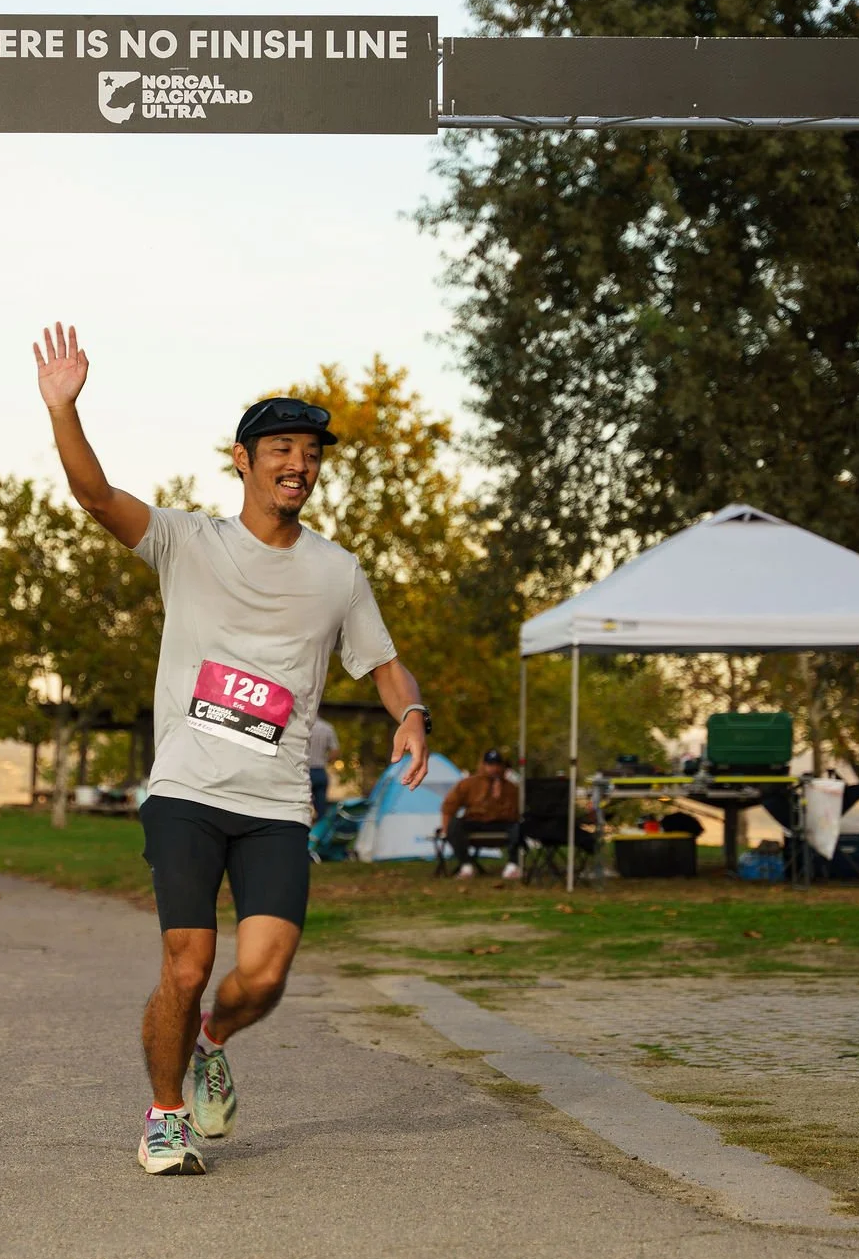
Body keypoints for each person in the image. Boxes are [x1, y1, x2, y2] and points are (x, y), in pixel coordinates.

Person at [34, 322, 432, 1176]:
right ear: (242, 460)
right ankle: (165, 1116)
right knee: (189, 963)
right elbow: (95, 495)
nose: (299, 464)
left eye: (311, 454)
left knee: (264, 976)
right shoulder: (188, 542)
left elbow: (384, 663)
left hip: (275, 802)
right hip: (186, 788)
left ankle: (213, 1040)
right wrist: (64, 408)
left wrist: (411, 712)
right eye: (281, 449)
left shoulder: (338, 572)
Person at [440, 748, 522, 880]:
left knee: (519, 826)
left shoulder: (511, 788)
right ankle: (466, 864)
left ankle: (512, 865)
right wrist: (445, 828)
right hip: (476, 822)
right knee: (455, 824)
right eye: (490, 765)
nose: (494, 769)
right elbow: (449, 806)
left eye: (497, 765)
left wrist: (499, 798)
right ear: (483, 765)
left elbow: (516, 812)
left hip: (501, 824)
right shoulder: (469, 784)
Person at [305, 714, 340, 818]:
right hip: (320, 771)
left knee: (303, 806)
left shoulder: (303, 726)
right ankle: (320, 826)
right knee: (321, 808)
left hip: (304, 771)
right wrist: (325, 760)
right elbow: (335, 751)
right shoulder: (327, 727)